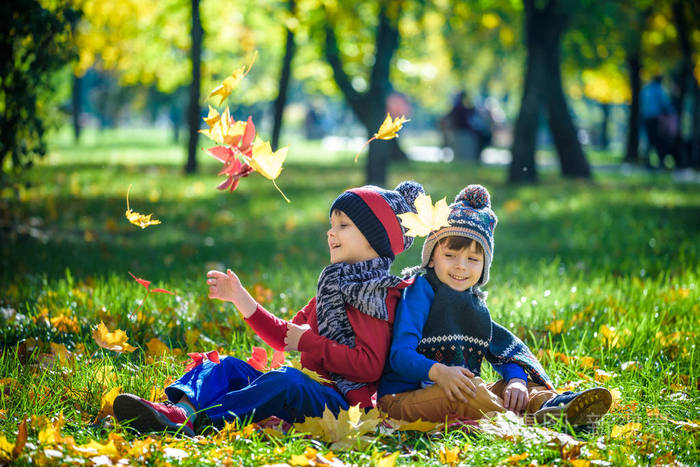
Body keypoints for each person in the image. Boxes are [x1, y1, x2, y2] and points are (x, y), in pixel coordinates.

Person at [113, 181, 425, 436]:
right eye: (331, 224)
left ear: (375, 240)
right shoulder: (331, 290)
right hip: (311, 387)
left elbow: (368, 366)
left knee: (286, 380)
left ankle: (206, 421)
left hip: (343, 403)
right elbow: (283, 336)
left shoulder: (380, 298)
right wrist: (241, 298)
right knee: (226, 365)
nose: (331, 232)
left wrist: (309, 342)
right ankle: (181, 412)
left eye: (343, 225)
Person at [378, 184, 612, 428]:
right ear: (431, 257)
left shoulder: (473, 305)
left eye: (473, 259)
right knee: (472, 392)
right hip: (402, 401)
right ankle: (531, 423)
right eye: (450, 256)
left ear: (483, 267)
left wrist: (517, 382)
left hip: (455, 391)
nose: (461, 266)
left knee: (522, 388)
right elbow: (400, 355)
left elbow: (505, 348)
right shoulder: (420, 291)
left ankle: (554, 406)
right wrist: (439, 372)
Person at [641, 75, 676, 169]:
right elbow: (665, 103)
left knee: (650, 140)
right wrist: (671, 114)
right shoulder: (658, 89)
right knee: (658, 140)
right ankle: (661, 162)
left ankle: (648, 162)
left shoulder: (646, 89)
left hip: (646, 117)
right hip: (656, 118)